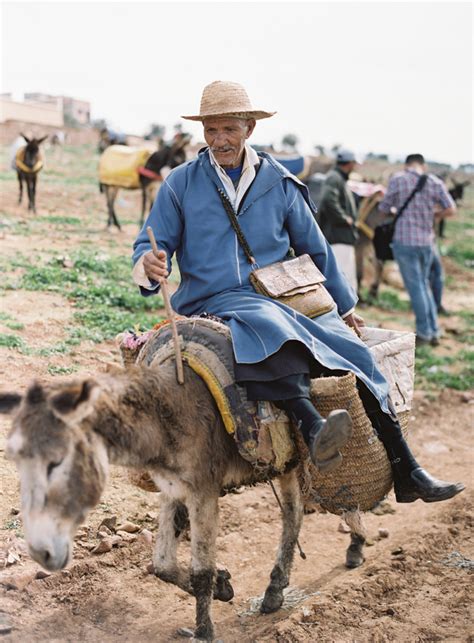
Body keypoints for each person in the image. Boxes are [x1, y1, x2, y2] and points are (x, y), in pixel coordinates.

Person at [133, 81, 463, 503]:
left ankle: (408, 468)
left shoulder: (278, 182)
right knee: (268, 324)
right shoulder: (181, 184)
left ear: (249, 129)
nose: (219, 141)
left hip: (279, 296)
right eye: (211, 131)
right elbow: (150, 242)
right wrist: (148, 263)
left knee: (354, 351)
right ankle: (312, 425)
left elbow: (316, 247)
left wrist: (343, 308)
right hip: (212, 298)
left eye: (228, 130)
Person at [378, 154, 456, 347]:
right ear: (423, 165)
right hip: (427, 243)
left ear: (407, 165)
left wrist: (397, 211)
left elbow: (383, 208)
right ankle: (434, 331)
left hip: (405, 242)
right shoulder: (434, 182)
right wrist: (434, 214)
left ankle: (423, 333)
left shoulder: (398, 179)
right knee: (424, 285)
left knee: (416, 288)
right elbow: (451, 209)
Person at [316, 149, 359, 292]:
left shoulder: (338, 178)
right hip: (338, 236)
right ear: (350, 164)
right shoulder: (334, 178)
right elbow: (328, 200)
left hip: (342, 236)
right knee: (342, 276)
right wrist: (344, 218)